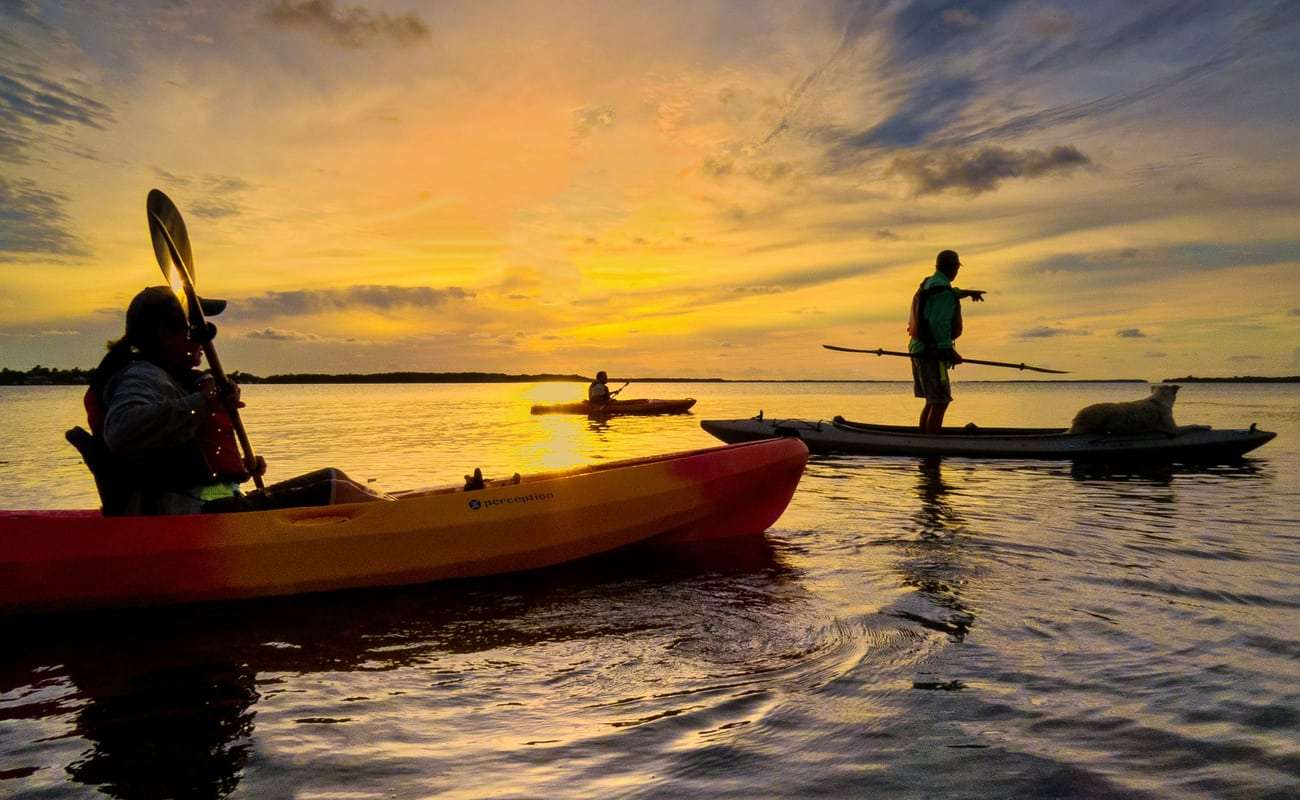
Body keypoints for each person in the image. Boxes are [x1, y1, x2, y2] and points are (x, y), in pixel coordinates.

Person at [81, 285, 388, 515]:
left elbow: (182, 455)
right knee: (336, 488)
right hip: (176, 515)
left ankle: (397, 513)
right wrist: (203, 402)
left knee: (334, 477)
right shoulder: (142, 376)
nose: (205, 340)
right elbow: (121, 432)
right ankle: (403, 529)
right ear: (165, 334)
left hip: (202, 502)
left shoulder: (170, 376)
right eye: (195, 330)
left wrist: (236, 469)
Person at [907, 250, 986, 434]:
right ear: (954, 268)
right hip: (932, 352)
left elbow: (946, 293)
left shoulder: (931, 283)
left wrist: (965, 292)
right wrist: (948, 350)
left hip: (919, 348)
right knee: (940, 401)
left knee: (932, 400)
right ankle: (931, 445)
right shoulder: (943, 291)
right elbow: (939, 323)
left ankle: (924, 442)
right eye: (957, 268)